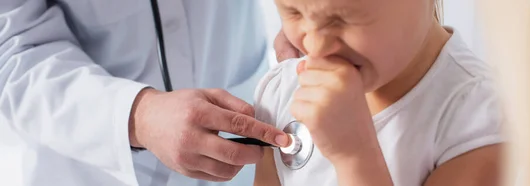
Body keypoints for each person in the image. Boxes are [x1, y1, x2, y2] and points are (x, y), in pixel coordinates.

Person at [0, 0, 299, 186]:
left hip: (246, 129)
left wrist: (309, 12)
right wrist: (138, 117)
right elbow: (10, 49)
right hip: (88, 165)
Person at [253, 0, 503, 185]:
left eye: (343, 18)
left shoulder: (481, 124)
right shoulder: (282, 92)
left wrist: (354, 157)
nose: (315, 47)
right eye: (293, 12)